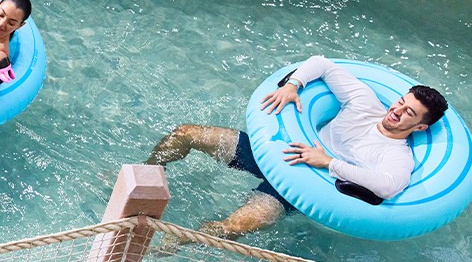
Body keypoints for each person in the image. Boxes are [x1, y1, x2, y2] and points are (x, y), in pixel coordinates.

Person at [146, 55, 449, 242]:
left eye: (409, 113)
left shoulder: (397, 155)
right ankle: (146, 177)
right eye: (400, 102)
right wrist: (293, 85)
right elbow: (322, 63)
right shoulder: (364, 103)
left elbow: (389, 186)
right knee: (186, 133)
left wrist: (328, 162)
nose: (396, 111)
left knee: (229, 228)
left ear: (420, 127)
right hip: (277, 151)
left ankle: (170, 245)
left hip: (299, 189)